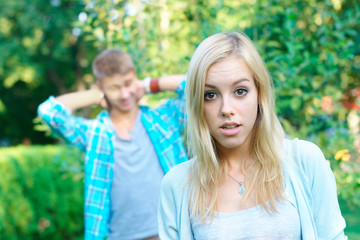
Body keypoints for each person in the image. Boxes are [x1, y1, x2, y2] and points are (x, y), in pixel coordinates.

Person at [158, 32, 347, 240]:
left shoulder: (304, 161)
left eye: (240, 91)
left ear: (260, 94)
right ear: (196, 104)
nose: (226, 109)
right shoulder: (177, 185)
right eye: (210, 95)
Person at [38, 49, 188, 240]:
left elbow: (197, 88)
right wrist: (97, 96)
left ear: (135, 77)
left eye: (128, 83)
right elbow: (48, 112)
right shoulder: (95, 133)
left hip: (170, 234)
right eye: (115, 88)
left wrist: (149, 85)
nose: (125, 94)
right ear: (101, 87)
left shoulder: (163, 119)